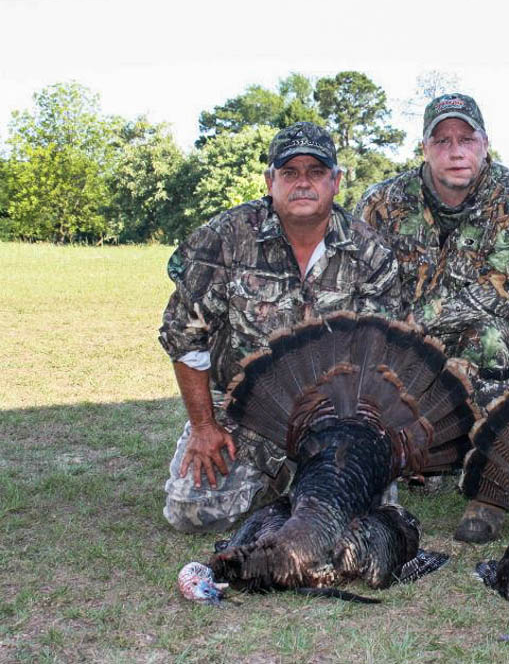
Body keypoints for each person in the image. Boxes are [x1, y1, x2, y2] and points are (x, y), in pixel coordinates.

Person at [159, 122, 400, 533]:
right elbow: (185, 336)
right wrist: (204, 426)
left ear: (336, 182)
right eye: (289, 173)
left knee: (359, 515)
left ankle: (293, 480)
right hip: (244, 409)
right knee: (192, 513)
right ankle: (280, 479)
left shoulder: (369, 251)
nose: (302, 183)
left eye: (316, 172)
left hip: (335, 413)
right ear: (270, 181)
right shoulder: (225, 238)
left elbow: (383, 355)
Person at [355, 94, 509, 543]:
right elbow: (364, 289)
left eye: (467, 138)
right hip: (399, 346)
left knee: (489, 338)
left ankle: (492, 484)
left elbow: (496, 295)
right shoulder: (382, 203)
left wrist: (411, 332)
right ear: (423, 148)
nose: (455, 151)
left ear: (486, 144)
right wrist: (396, 342)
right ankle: (404, 460)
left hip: (475, 339)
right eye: (442, 140)